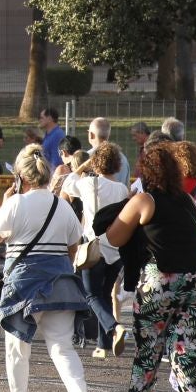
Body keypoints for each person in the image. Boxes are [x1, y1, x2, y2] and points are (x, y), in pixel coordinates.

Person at [103, 141, 196, 392]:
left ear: (147, 171)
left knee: (150, 349)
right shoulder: (188, 201)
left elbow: (114, 237)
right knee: (185, 349)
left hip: (161, 282)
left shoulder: (145, 200)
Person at [0, 144, 93, 392]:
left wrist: (7, 201)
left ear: (21, 178)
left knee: (18, 347)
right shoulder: (62, 205)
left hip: (24, 285)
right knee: (62, 347)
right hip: (61, 284)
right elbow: (73, 247)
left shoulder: (17, 203)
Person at [63, 143, 130, 357]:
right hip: (116, 249)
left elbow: (67, 182)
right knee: (104, 293)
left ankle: (114, 328)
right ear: (117, 164)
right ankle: (103, 345)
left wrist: (84, 164)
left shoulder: (88, 183)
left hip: (94, 247)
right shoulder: (122, 189)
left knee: (91, 294)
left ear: (97, 163)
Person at [87, 118, 128, 185]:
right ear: (108, 135)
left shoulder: (87, 157)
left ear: (91, 135)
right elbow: (127, 186)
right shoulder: (123, 158)